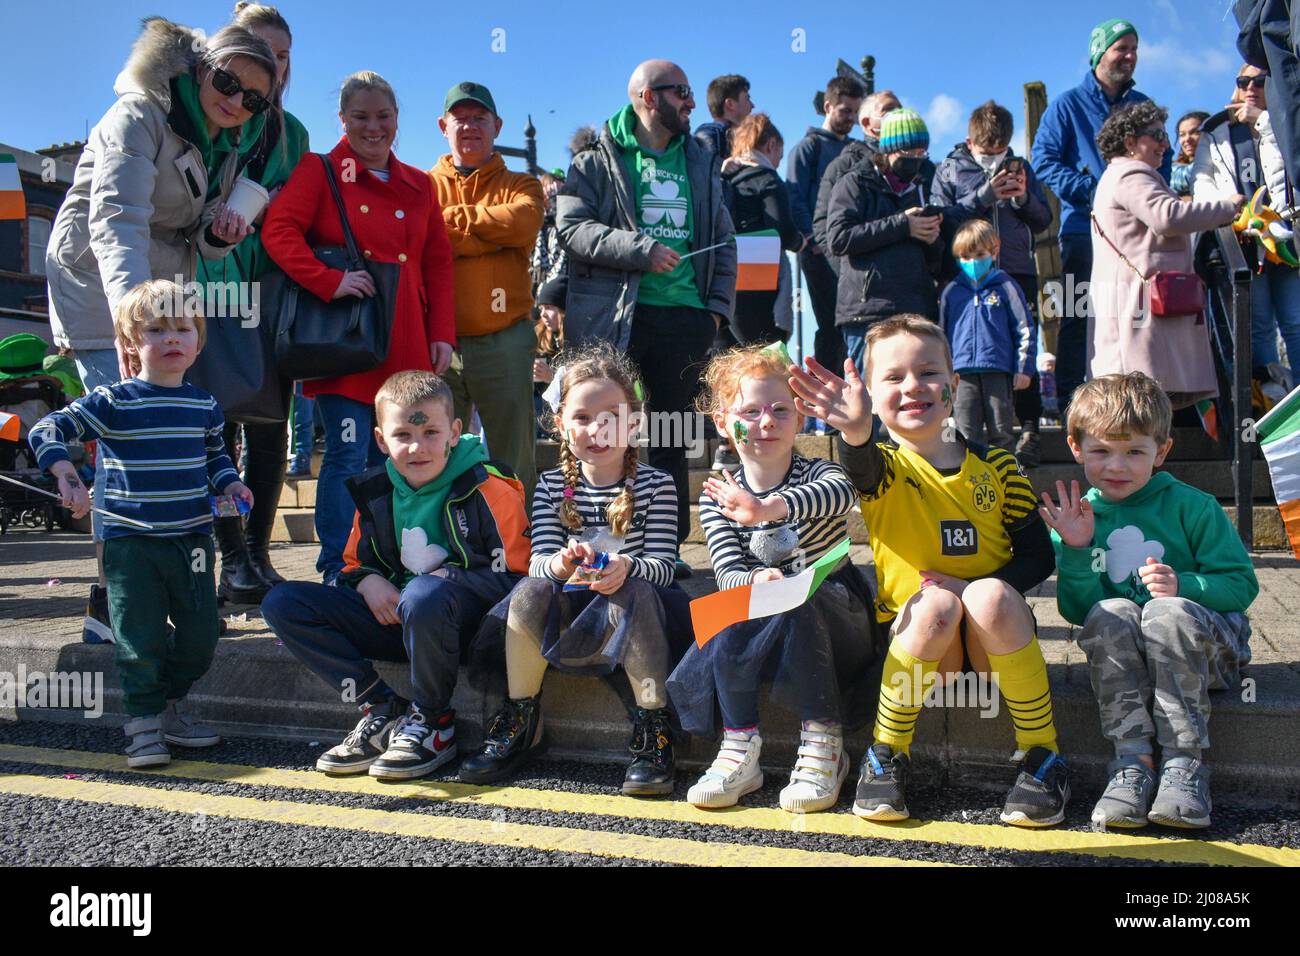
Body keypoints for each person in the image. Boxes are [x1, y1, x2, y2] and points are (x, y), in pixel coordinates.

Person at [43, 17, 279, 643]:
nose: (236, 100)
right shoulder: (138, 114)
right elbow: (117, 220)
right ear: (203, 67)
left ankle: (155, 600)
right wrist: (130, 322)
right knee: (130, 440)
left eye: (253, 97)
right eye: (228, 82)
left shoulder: (227, 140)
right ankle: (115, 606)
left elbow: (195, 233)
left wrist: (220, 236)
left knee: (168, 441)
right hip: (103, 288)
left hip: (164, 293)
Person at [789, 316, 1068, 827]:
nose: (913, 385)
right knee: (936, 603)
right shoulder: (885, 468)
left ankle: (1043, 757)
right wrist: (854, 431)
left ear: (954, 383)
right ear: (870, 393)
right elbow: (860, 465)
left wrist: (972, 587)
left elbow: (1039, 556)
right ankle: (886, 754)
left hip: (992, 645)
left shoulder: (1000, 467)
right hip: (921, 645)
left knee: (989, 596)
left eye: (928, 371)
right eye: (893, 377)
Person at [261, 370, 530, 779]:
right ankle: (382, 708)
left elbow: (519, 575)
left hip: (467, 629)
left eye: (431, 433)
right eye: (403, 435)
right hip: (400, 620)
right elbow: (354, 562)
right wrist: (368, 581)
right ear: (381, 440)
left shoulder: (490, 486)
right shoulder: (375, 489)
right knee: (282, 602)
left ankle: (433, 723)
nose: (417, 447)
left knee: (423, 594)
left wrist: (444, 583)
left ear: (455, 432)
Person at [29, 279, 251, 767]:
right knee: (139, 636)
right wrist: (65, 473)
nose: (172, 338)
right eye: (156, 329)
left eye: (183, 328)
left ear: (198, 341)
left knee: (200, 636)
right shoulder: (113, 401)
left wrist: (232, 486)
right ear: (132, 342)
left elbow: (216, 459)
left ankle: (169, 704)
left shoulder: (205, 405)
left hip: (192, 538)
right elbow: (47, 428)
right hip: (130, 542)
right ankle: (145, 723)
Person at [460, 345, 692, 795]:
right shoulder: (550, 486)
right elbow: (537, 562)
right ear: (561, 424)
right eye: (583, 417)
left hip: (640, 614)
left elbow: (665, 565)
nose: (597, 429)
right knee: (527, 591)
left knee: (637, 589)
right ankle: (522, 717)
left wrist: (627, 565)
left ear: (634, 424)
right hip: (574, 611)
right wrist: (563, 562)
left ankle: (653, 727)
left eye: (611, 416)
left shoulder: (657, 485)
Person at [1039, 372, 1258, 828]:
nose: (1116, 466)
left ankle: (1184, 763)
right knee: (1110, 610)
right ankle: (1132, 763)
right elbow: (1078, 613)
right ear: (1076, 449)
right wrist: (1077, 552)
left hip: (1209, 654)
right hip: (1136, 661)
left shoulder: (1194, 506)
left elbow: (1241, 585)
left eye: (1134, 452)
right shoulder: (1080, 518)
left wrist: (1187, 586)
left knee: (1165, 610)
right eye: (1100, 451)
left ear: (1161, 451)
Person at [262, 71, 456, 585]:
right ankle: (337, 566)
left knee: (395, 455)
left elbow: (437, 262)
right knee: (348, 451)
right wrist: (328, 281)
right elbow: (278, 232)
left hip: (405, 338)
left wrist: (442, 334)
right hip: (344, 341)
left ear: (397, 119)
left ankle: (385, 559)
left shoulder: (421, 184)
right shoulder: (318, 170)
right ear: (342, 120)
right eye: (361, 117)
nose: (373, 127)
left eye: (383, 116)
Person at [667, 344, 879, 813]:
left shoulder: (819, 471)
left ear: (800, 419)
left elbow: (842, 493)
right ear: (723, 422)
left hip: (836, 619)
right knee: (725, 608)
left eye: (780, 410)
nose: (766, 421)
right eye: (750, 411)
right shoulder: (719, 495)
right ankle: (740, 747)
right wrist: (751, 582)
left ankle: (826, 743)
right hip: (766, 620)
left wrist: (768, 509)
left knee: (797, 594)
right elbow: (725, 570)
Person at [556, 58, 736, 580]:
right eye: (681, 91)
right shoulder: (594, 160)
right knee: (607, 430)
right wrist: (640, 248)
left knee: (671, 434)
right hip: (615, 319)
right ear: (647, 98)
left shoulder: (701, 160)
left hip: (686, 318)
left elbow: (724, 241)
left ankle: (666, 548)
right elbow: (570, 228)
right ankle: (593, 541)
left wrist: (716, 313)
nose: (691, 102)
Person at [201, 3, 312, 604]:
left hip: (267, 291)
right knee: (217, 433)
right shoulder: (212, 115)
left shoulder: (291, 134)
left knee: (270, 427)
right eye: (262, 52)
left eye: (284, 57)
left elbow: (296, 213)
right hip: (208, 285)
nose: (274, 65)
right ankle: (230, 557)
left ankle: (259, 553)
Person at [1032, 17, 1170, 412]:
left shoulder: (1144, 107)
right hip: (1083, 228)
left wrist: (1144, 196)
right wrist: (1096, 191)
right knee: (1078, 311)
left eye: (1134, 49)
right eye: (1121, 48)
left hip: (1137, 235)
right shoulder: (1066, 106)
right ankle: (1069, 400)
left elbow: (1165, 156)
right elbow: (1043, 160)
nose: (1129, 56)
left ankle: (1139, 404)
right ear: (1099, 53)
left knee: (1137, 313)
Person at [430, 82, 545, 504]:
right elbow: (425, 240)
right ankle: (441, 544)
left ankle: (525, 548)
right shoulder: (422, 185)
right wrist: (491, 234)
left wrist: (452, 224)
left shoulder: (523, 184)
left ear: (497, 126)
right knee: (437, 452)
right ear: (444, 126)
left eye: (480, 118)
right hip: (440, 341)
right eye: (461, 118)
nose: (470, 126)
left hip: (505, 337)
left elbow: (522, 225)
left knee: (513, 457)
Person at [1090, 102, 1242, 410]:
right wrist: (1229, 207)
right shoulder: (1132, 174)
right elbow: (1168, 217)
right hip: (1140, 307)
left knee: (1141, 405)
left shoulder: (1123, 175)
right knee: (1139, 404)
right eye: (1156, 135)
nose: (1165, 144)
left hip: (1139, 305)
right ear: (1130, 141)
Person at [932, 100, 1052, 465]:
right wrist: (984, 196)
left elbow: (1044, 219)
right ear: (970, 141)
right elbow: (943, 218)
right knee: (973, 355)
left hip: (1016, 270)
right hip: (968, 274)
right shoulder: (950, 169)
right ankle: (966, 445)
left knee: (1019, 344)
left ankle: (1028, 428)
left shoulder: (1021, 167)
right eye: (987, 151)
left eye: (1001, 151)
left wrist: (1023, 198)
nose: (995, 158)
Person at [1193, 65, 1300, 376]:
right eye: (1243, 82)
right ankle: (1274, 396)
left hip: (1287, 238)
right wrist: (1227, 208)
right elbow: (1202, 181)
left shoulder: (1287, 123)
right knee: (1260, 325)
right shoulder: (1216, 131)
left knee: (1295, 321)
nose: (1251, 88)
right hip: (1245, 239)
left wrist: (1265, 122)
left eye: (1259, 81)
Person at [825, 109, 943, 378]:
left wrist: (933, 239)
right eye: (908, 153)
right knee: (866, 399)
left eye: (921, 153)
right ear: (888, 151)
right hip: (867, 311)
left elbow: (935, 261)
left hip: (916, 309)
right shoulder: (854, 183)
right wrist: (903, 225)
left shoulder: (924, 187)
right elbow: (839, 238)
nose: (916, 159)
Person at [787, 76, 865, 376]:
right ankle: (825, 407)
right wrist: (813, 240)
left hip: (848, 252)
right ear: (827, 106)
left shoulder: (855, 150)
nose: (851, 119)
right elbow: (795, 199)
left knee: (851, 326)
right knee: (830, 327)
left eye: (856, 113)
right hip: (819, 255)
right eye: (845, 111)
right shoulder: (807, 149)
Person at [939, 219, 1036, 453]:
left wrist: (1023, 368)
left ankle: (1005, 479)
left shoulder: (1005, 286)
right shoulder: (952, 291)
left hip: (998, 369)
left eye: (979, 254)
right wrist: (942, 372)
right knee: (965, 430)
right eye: (965, 257)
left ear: (994, 252)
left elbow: (1024, 328)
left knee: (1001, 430)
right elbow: (940, 336)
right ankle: (970, 482)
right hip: (961, 374)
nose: (973, 262)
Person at [719, 113, 803, 347]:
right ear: (771, 145)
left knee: (732, 355)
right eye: (779, 156)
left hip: (725, 275)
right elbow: (783, 232)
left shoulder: (727, 179)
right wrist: (801, 242)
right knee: (766, 352)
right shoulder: (767, 179)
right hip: (760, 275)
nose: (777, 163)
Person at [812, 90, 902, 255]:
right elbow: (824, 230)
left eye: (900, 108)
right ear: (867, 123)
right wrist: (850, 275)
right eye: (889, 109)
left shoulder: (920, 166)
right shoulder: (844, 166)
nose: (898, 114)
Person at [694, 74, 753, 157]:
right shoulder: (711, 137)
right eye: (747, 98)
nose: (752, 105)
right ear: (730, 104)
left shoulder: (737, 139)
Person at [1171, 110, 1210, 198]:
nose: (1187, 139)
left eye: (1195, 132)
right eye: (1182, 135)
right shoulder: (1174, 170)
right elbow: (1186, 177)